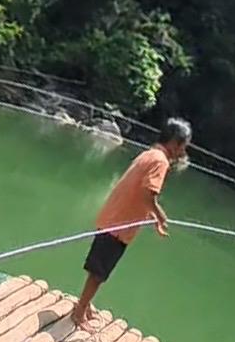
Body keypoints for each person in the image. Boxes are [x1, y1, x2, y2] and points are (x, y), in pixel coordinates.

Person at [69, 118, 192, 326]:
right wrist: (161, 215)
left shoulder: (149, 154)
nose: (183, 152)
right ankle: (79, 312)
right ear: (174, 143)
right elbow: (147, 195)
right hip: (118, 224)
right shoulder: (160, 161)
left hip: (114, 218)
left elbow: (140, 192)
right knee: (99, 272)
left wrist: (154, 220)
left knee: (99, 269)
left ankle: (85, 304)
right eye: (183, 146)